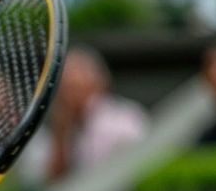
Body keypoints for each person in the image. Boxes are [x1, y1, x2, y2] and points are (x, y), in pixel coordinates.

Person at [43, 47, 150, 182]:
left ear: (101, 85)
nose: (74, 97)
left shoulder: (127, 118)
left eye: (81, 88)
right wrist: (61, 134)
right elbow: (52, 180)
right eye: (68, 89)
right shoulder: (57, 127)